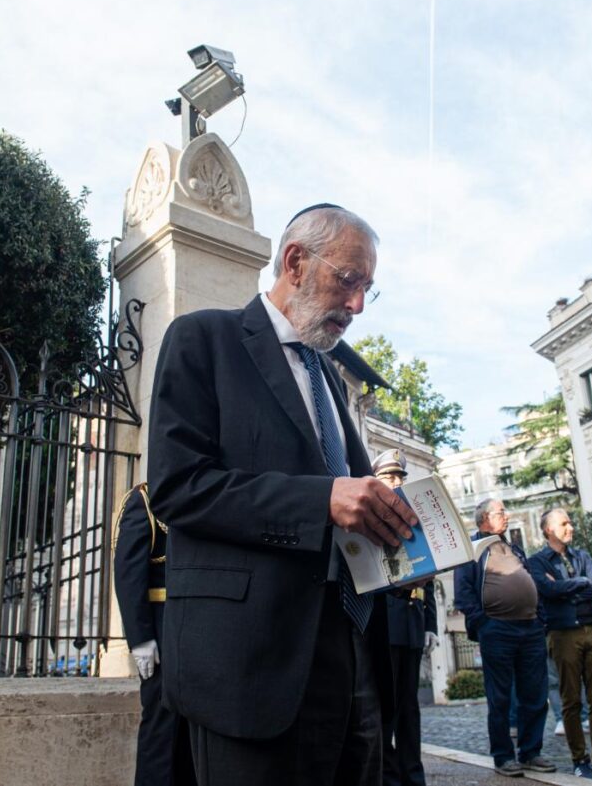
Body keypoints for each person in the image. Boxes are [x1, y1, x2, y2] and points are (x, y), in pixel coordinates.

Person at [147, 204, 419, 786]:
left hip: (355, 660)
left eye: (369, 288)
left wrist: (400, 538)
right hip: (252, 668)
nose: (357, 306)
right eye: (348, 281)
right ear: (295, 262)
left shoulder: (331, 379)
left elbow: (352, 506)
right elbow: (177, 487)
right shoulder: (203, 339)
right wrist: (321, 501)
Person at [454, 498, 555, 778]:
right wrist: (483, 623)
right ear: (484, 519)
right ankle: (503, 756)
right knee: (500, 697)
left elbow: (531, 582)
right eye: (500, 513)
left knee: (535, 694)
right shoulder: (471, 549)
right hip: (497, 630)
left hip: (530, 628)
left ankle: (531, 752)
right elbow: (463, 592)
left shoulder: (514, 548)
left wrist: (540, 618)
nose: (507, 516)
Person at [528, 508, 592, 784]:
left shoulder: (582, 556)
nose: (570, 527)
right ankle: (579, 760)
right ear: (548, 530)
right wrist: (578, 585)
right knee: (571, 700)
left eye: (570, 522)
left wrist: (569, 585)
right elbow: (547, 591)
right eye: (564, 523)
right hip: (563, 633)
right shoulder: (537, 562)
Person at [112, 483, 196, 786]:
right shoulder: (144, 500)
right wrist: (140, 637)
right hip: (161, 629)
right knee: (162, 727)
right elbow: (128, 571)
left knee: (193, 733)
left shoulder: (195, 492)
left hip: (199, 629)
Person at [372, 449, 438, 786]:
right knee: (386, 707)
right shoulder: (371, 520)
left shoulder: (415, 521)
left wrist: (430, 625)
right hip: (385, 625)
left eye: (399, 477)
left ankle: (413, 773)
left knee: (409, 710)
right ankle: (387, 774)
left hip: (411, 627)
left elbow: (430, 572)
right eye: (389, 477)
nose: (396, 482)